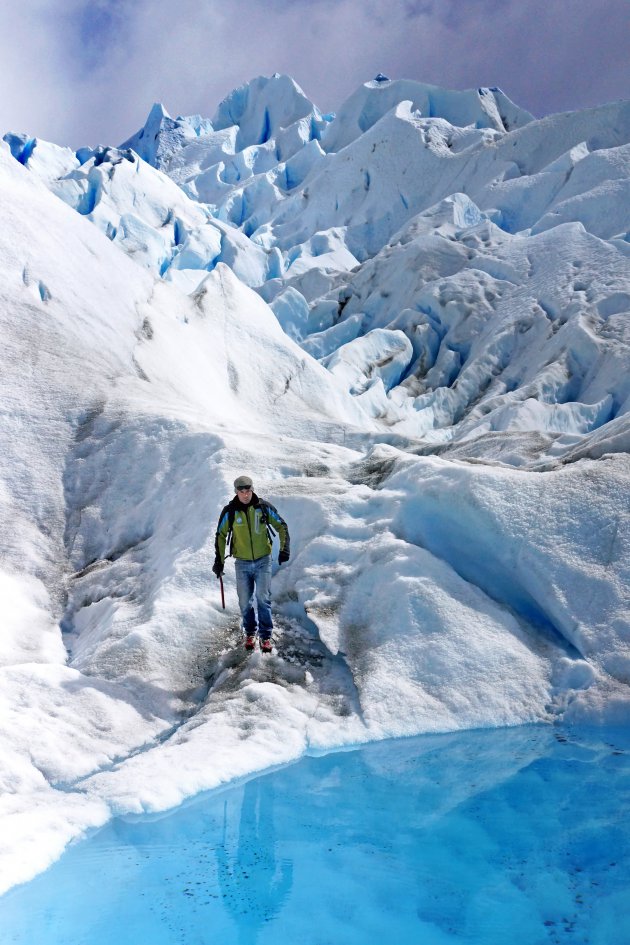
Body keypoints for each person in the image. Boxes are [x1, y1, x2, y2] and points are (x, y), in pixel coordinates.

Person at [213, 475, 290, 652]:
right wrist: (219, 560)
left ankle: (265, 636)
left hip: (263, 561)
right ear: (236, 492)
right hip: (242, 563)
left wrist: (284, 549)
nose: (246, 494)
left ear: (252, 489)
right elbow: (221, 535)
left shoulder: (263, 507)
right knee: (244, 601)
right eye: (242, 491)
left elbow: (281, 526)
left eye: (248, 490)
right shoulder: (230, 512)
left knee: (263, 598)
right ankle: (250, 632)